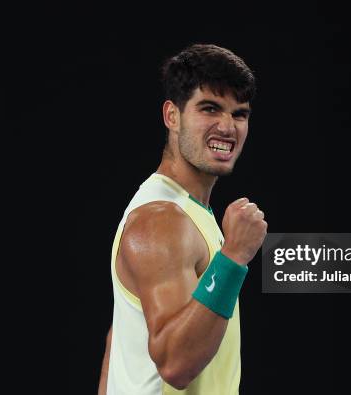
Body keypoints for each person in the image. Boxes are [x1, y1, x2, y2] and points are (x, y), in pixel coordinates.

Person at [97, 43, 267, 395]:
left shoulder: (186, 210)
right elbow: (175, 364)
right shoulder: (162, 219)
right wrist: (234, 257)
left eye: (239, 114)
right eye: (210, 108)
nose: (227, 127)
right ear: (172, 116)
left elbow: (122, 337)